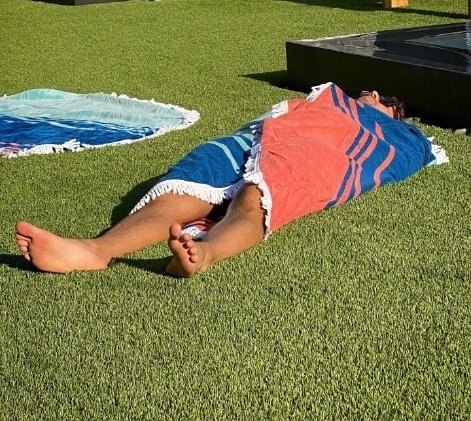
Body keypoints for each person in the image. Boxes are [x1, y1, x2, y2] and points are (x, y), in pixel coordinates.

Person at [15, 87, 412, 278]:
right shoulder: (331, 98)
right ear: (372, 94)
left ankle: (204, 254)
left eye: (390, 114)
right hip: (258, 137)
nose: (380, 111)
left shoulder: (385, 134)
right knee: (183, 191)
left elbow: (395, 152)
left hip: (310, 151)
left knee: (259, 195)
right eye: (382, 105)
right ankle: (93, 249)